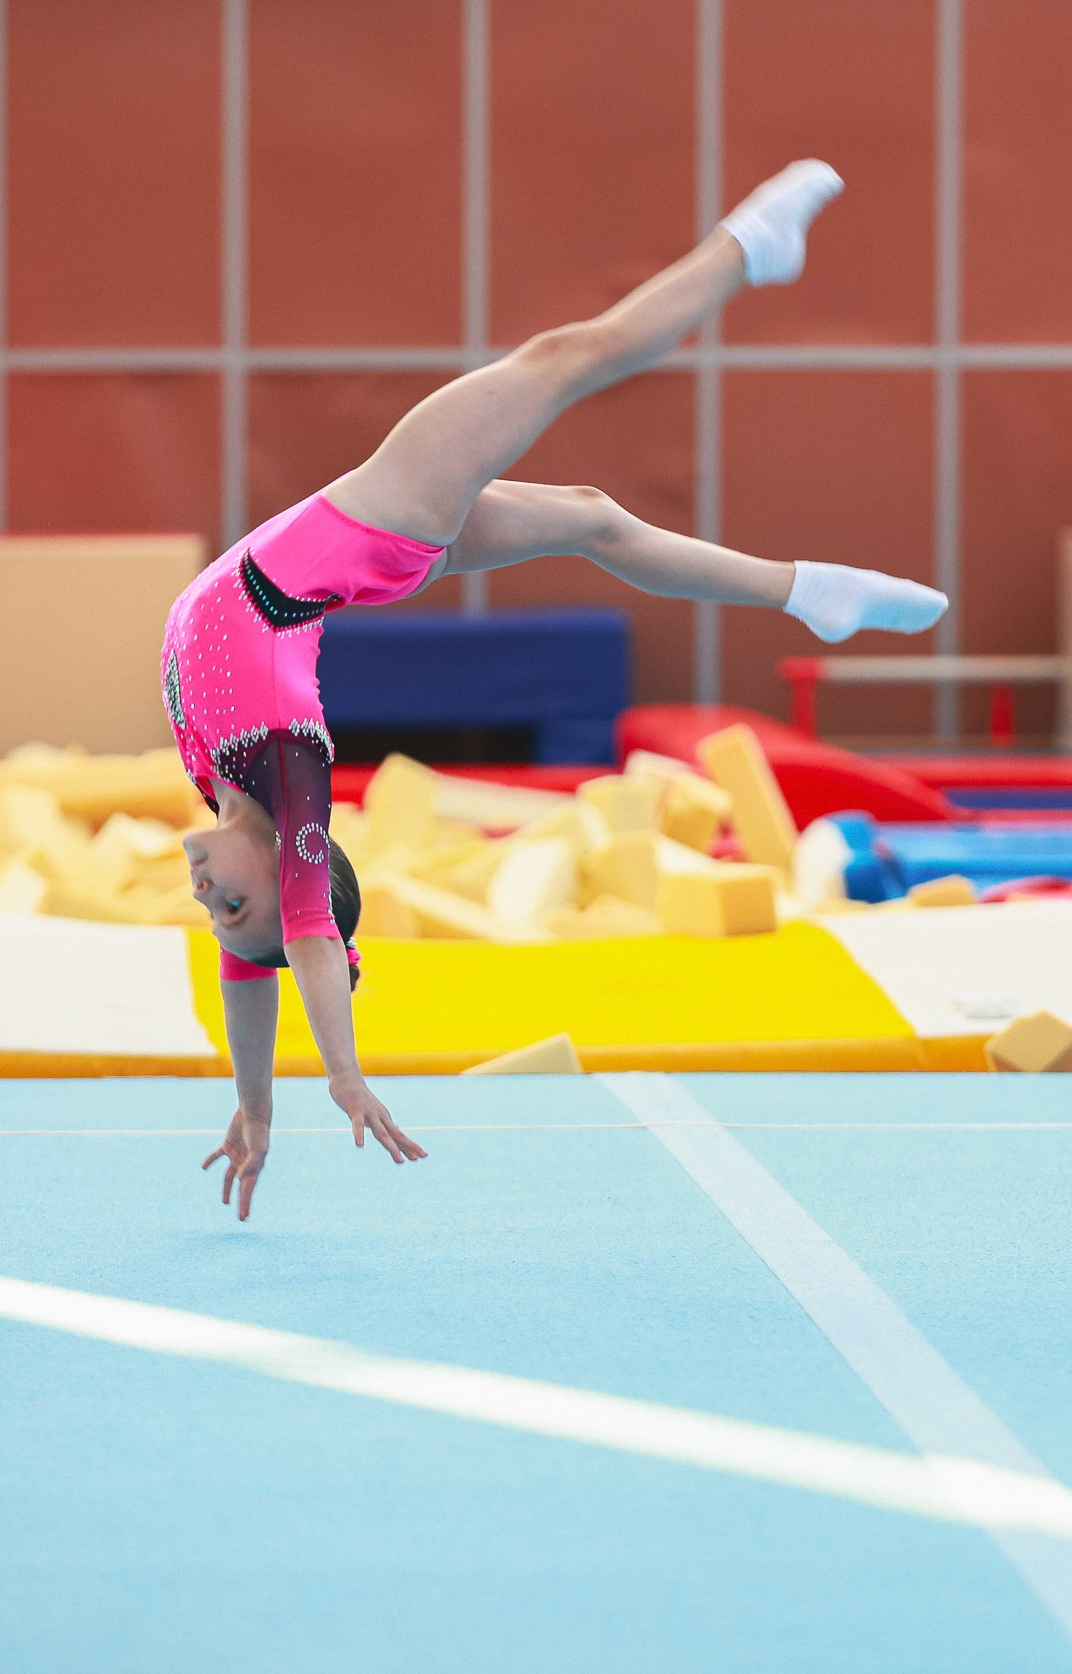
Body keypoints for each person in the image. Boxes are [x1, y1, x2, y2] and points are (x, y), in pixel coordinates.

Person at [171, 160, 943, 1219]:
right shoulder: (289, 775)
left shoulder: (219, 780)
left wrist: (254, 1105)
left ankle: (812, 593)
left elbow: (252, 971)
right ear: (293, 865)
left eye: (212, 911)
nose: (207, 897)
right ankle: (745, 251)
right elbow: (302, 938)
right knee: (565, 360)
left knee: (589, 516)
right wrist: (339, 1075)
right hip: (374, 526)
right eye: (233, 901)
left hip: (360, 557)